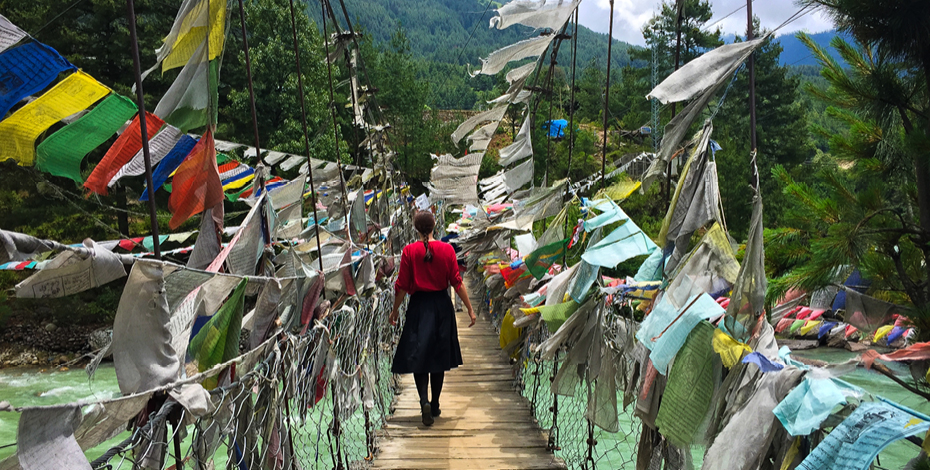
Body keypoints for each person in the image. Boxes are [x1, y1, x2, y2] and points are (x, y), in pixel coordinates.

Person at [389, 211, 475, 426]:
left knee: (420, 357)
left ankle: (423, 401)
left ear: (415, 228)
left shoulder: (409, 251)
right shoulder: (447, 250)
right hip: (441, 307)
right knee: (438, 358)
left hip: (419, 306)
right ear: (435, 225)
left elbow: (401, 286)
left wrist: (394, 311)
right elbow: (457, 282)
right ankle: (435, 404)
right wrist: (470, 310)